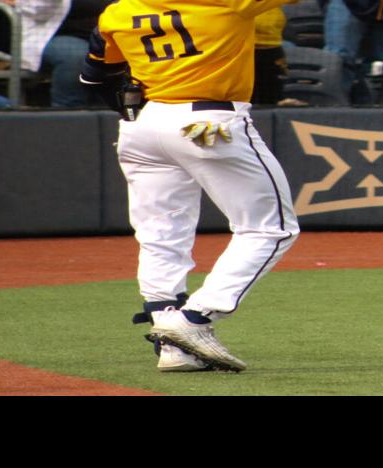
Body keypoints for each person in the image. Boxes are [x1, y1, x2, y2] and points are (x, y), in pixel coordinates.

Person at [82, 0, 299, 372]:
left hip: (142, 124)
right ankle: (195, 317)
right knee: (270, 228)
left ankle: (172, 346)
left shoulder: (119, 10)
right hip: (208, 121)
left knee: (161, 232)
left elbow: (94, 76)